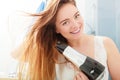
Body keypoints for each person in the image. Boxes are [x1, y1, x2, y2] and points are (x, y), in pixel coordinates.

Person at [11, 0, 120, 80]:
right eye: (65, 22)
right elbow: (15, 55)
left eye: (76, 16)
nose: (75, 25)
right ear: (56, 29)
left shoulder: (105, 44)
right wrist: (37, 28)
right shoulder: (52, 51)